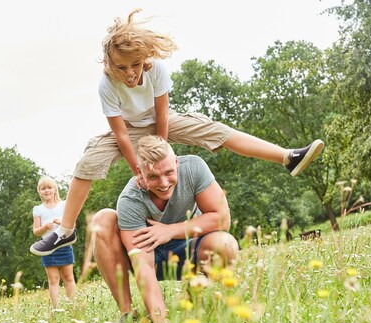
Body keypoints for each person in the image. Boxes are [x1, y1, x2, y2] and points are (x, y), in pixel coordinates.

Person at [30, 9, 324, 256]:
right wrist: (139, 170)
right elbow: (120, 133)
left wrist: (161, 150)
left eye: (136, 65)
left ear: (145, 57)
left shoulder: (156, 70)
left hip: (162, 122)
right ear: (110, 65)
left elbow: (161, 116)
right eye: (122, 67)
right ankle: (65, 231)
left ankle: (288, 157)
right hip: (129, 130)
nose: (131, 73)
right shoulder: (107, 84)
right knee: (87, 164)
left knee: (214, 130)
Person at [91, 135, 239, 323]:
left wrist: (169, 230)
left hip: (187, 247)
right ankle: (128, 316)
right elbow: (143, 265)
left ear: (176, 162)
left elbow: (222, 219)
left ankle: (203, 299)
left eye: (169, 172)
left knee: (225, 244)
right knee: (102, 218)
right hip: (147, 257)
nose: (163, 183)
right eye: (153, 176)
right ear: (139, 172)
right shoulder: (130, 200)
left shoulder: (194, 168)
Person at [31, 177, 76, 307]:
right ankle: (57, 308)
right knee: (53, 279)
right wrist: (45, 227)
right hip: (47, 247)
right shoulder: (38, 209)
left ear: (55, 189)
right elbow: (36, 231)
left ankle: (74, 306)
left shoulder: (64, 205)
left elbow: (72, 225)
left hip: (64, 244)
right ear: (39, 191)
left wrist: (62, 222)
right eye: (43, 188)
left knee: (68, 277)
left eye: (49, 187)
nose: (46, 191)